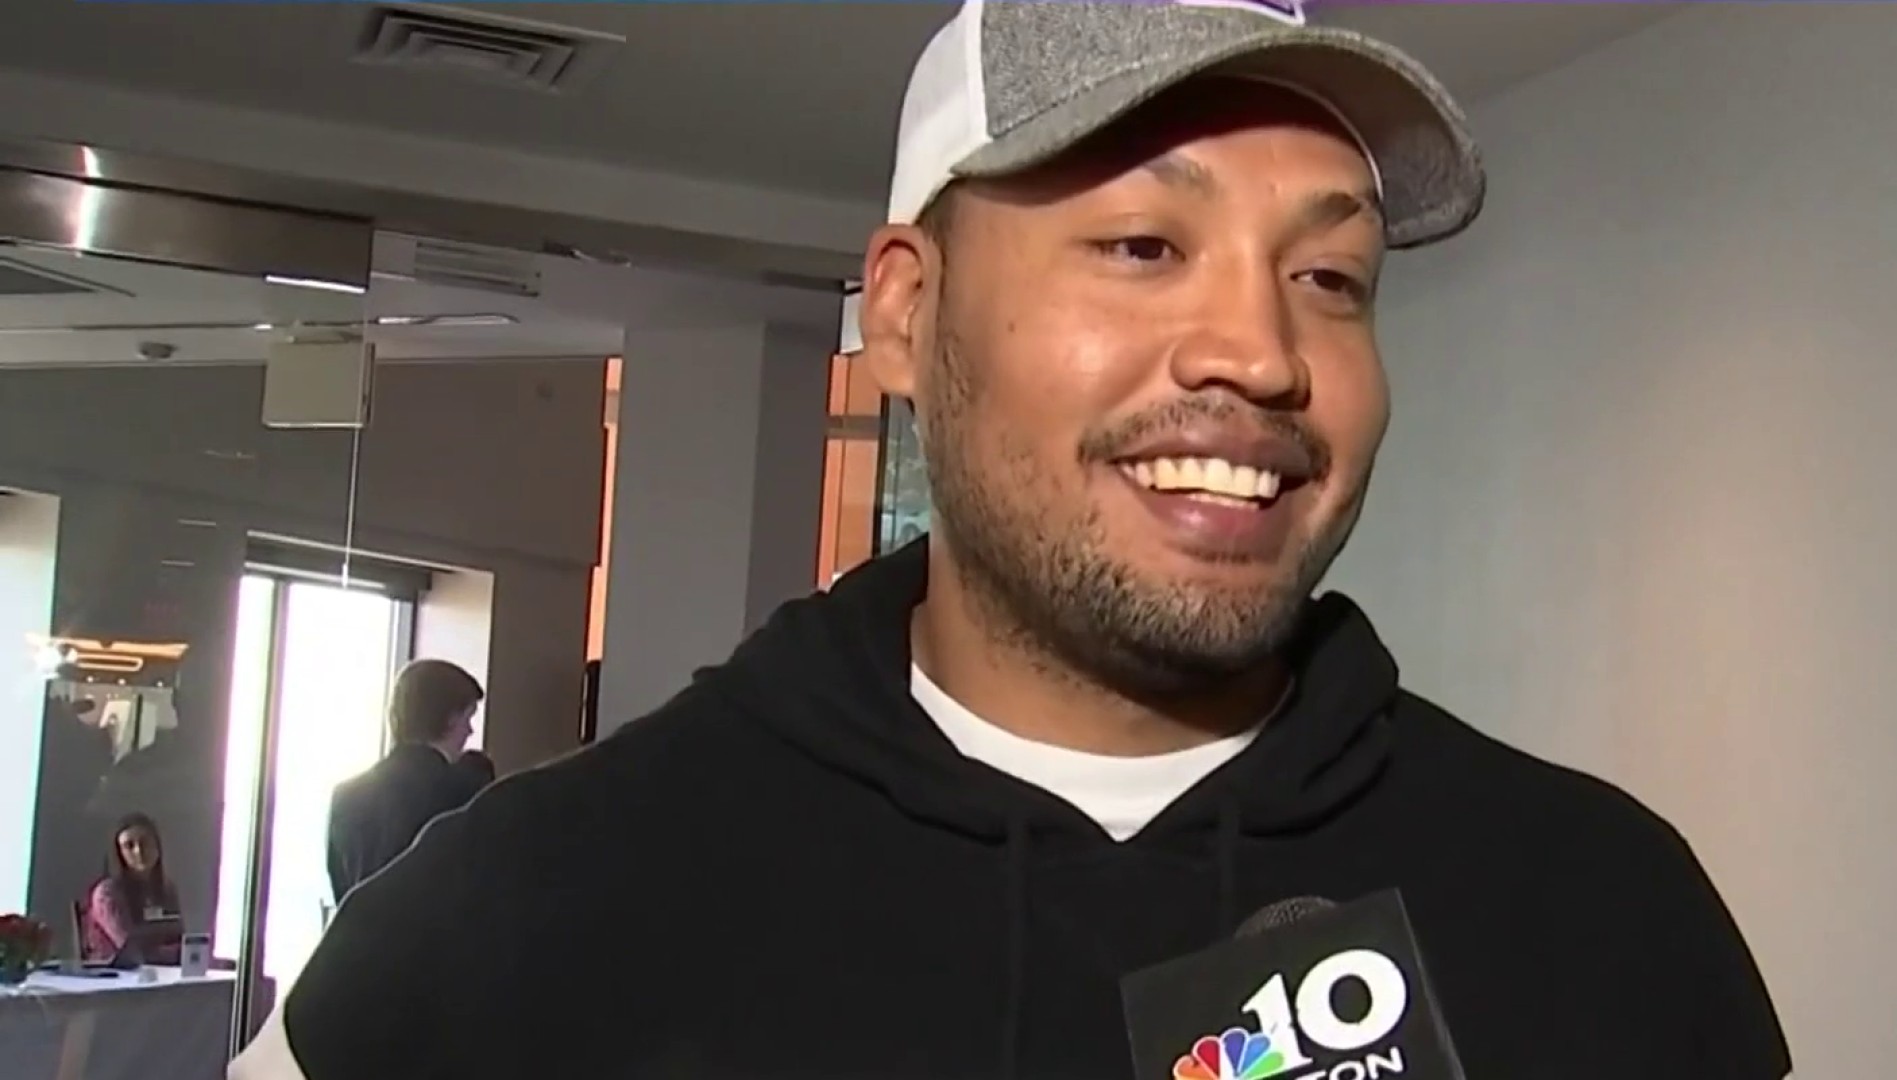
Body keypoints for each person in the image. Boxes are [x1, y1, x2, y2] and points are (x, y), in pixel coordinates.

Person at [234, 4, 1791, 1079]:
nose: (1261, 354)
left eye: (1330, 279)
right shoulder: (521, 922)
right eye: (1143, 244)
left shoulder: (1601, 910)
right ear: (907, 314)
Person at [323, 659, 488, 902]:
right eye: (467, 718)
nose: (470, 731)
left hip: (366, 926)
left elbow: (343, 892)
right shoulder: (465, 790)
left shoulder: (346, 795)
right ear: (451, 719)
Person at [82, 812, 182, 964]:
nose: (138, 851)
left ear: (157, 847)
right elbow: (130, 950)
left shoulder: (167, 889)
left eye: (145, 842)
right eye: (129, 846)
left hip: (163, 971)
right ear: (119, 853)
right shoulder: (107, 893)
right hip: (116, 974)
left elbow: (179, 936)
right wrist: (178, 952)